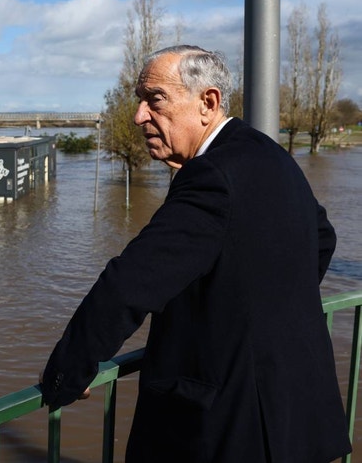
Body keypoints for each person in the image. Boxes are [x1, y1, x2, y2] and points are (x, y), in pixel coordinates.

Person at [40, 45, 351, 462]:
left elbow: (131, 282)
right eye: (139, 100)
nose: (139, 115)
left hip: (233, 427)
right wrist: (254, 311)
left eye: (155, 99)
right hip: (297, 410)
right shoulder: (268, 153)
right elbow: (322, 237)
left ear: (207, 102)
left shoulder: (211, 176)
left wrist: (66, 370)